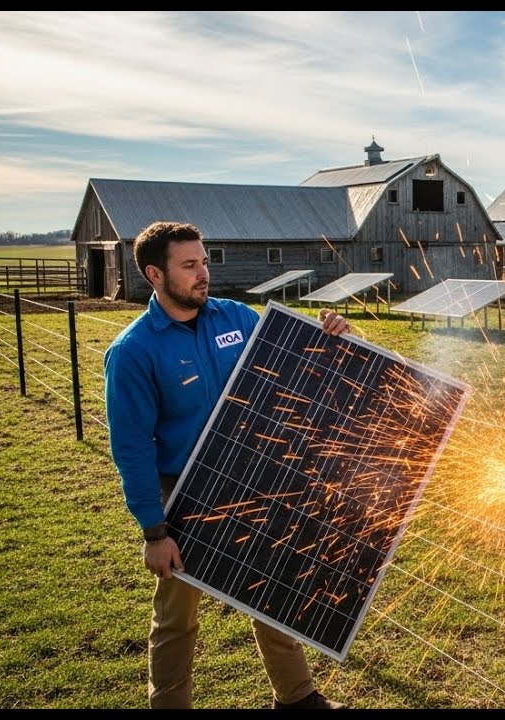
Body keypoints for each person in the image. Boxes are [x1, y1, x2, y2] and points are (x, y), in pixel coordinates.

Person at [104, 221, 350, 709]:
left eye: (205, 262)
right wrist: (155, 532)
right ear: (155, 274)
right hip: (184, 495)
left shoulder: (235, 316)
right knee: (176, 619)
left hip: (252, 478)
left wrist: (336, 335)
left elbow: (295, 357)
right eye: (189, 265)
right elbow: (131, 448)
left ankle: (297, 698)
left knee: (270, 593)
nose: (203, 274)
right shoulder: (133, 352)